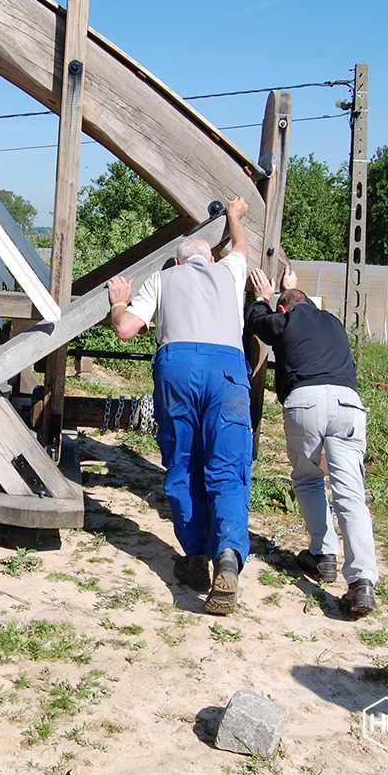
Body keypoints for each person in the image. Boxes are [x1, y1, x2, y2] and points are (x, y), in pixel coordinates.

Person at [107, 198, 252, 615]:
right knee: (228, 467)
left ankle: (194, 559)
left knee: (183, 464)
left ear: (177, 261)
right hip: (226, 370)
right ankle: (228, 554)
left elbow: (125, 330)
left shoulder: (163, 278)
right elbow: (240, 247)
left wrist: (120, 299)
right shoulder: (229, 271)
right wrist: (233, 218)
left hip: (178, 368)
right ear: (210, 258)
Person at [247, 265, 378, 616]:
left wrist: (262, 298)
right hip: (348, 403)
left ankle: (323, 554)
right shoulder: (332, 322)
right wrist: (291, 290)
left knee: (308, 479)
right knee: (350, 494)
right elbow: (303, 309)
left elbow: (259, 322)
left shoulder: (286, 319)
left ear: (284, 309)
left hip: (306, 401)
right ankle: (362, 581)